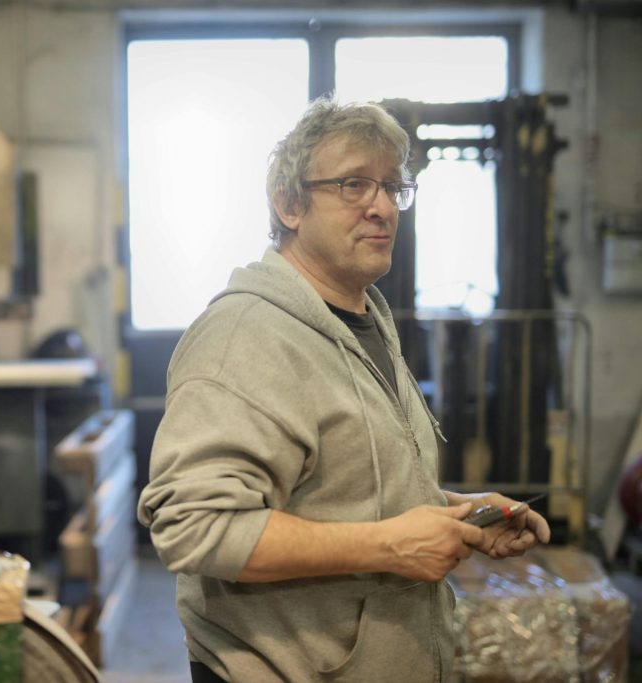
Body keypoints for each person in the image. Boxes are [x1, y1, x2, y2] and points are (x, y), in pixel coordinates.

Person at [136, 97, 551, 683]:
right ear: (289, 205)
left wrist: (458, 512)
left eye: (391, 187)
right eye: (354, 184)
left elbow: (344, 487)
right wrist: (387, 546)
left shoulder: (364, 319)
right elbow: (195, 526)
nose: (380, 207)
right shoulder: (247, 335)